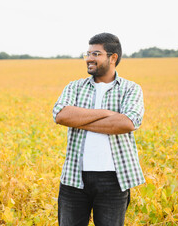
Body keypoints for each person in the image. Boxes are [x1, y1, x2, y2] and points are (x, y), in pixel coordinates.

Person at [52, 32, 145, 226]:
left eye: (96, 54)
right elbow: (61, 116)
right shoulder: (74, 87)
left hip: (114, 178)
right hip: (74, 177)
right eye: (87, 54)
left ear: (113, 58)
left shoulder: (130, 88)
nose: (88, 59)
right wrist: (107, 113)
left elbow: (127, 123)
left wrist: (79, 119)